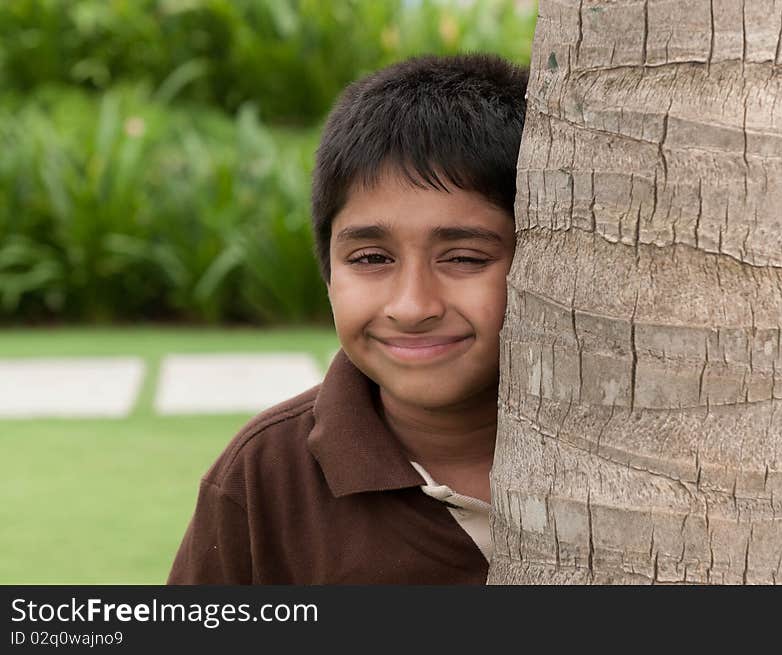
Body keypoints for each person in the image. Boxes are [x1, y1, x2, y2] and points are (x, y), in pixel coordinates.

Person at [167, 53, 528, 584]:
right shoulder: (264, 477)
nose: (411, 305)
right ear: (330, 274)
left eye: (465, 258)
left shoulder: (634, 452)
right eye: (372, 259)